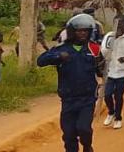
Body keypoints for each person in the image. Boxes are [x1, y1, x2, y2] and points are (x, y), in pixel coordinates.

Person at [37, 14, 100, 152]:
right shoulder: (62, 49)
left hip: (87, 99)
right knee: (69, 134)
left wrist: (102, 65)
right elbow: (40, 61)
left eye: (85, 30)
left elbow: (101, 70)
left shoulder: (94, 48)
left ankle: (87, 146)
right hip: (68, 99)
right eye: (79, 30)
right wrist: (58, 57)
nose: (82, 33)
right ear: (72, 31)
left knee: (84, 129)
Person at [100, 15, 124, 130]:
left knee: (118, 95)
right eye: (116, 23)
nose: (118, 26)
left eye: (120, 23)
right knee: (107, 94)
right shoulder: (109, 36)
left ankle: (118, 118)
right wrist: (112, 40)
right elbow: (104, 51)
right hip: (110, 71)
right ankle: (111, 112)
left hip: (123, 71)